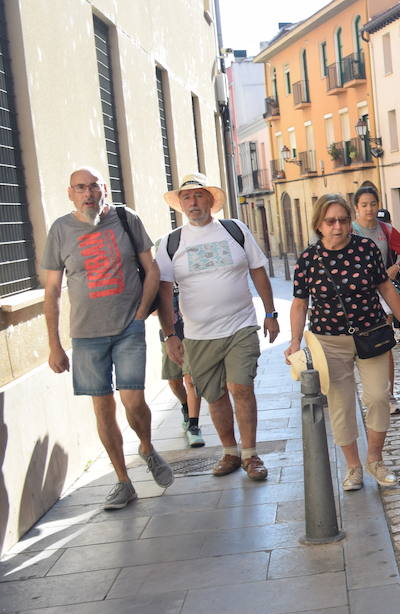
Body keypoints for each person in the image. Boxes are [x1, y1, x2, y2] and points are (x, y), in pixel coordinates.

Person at [41, 167, 173, 509]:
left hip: (128, 327)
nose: (89, 194)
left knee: (133, 402)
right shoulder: (60, 230)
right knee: (102, 408)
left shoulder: (126, 219)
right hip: (86, 337)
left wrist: (142, 311)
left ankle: (145, 446)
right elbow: (53, 290)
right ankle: (122, 481)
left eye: (94, 187)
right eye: (81, 188)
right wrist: (55, 344)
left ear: (104, 190)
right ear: (70, 193)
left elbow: (152, 268)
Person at [285, 194, 400, 490]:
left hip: (370, 334)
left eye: (343, 220)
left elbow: (385, 286)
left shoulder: (366, 249)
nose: (338, 227)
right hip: (328, 341)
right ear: (319, 224)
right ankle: (353, 467)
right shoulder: (308, 259)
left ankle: (375, 460)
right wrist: (294, 341)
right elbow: (299, 303)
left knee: (378, 397)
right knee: (341, 405)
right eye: (331, 221)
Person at [156, 173, 279, 482]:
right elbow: (162, 291)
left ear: (211, 200)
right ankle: (230, 452)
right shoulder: (171, 242)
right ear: (181, 204)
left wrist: (271, 312)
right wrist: (170, 335)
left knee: (241, 386)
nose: (193, 202)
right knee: (214, 396)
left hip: (240, 325)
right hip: (198, 335)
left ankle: (251, 455)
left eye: (199, 196)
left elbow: (258, 270)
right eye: (187, 197)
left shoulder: (234, 230)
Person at [352, 185, 400, 415]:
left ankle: (388, 394)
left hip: (382, 291)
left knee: (385, 340)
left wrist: (394, 267)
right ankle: (366, 390)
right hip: (355, 296)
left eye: (373, 204)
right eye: (364, 205)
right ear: (356, 208)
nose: (369, 209)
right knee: (356, 342)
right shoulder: (349, 231)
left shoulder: (386, 230)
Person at [163, 326, 204, 447]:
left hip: (191, 334)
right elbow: (154, 312)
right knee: (174, 382)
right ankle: (186, 407)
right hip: (169, 338)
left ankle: (193, 426)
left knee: (190, 380)